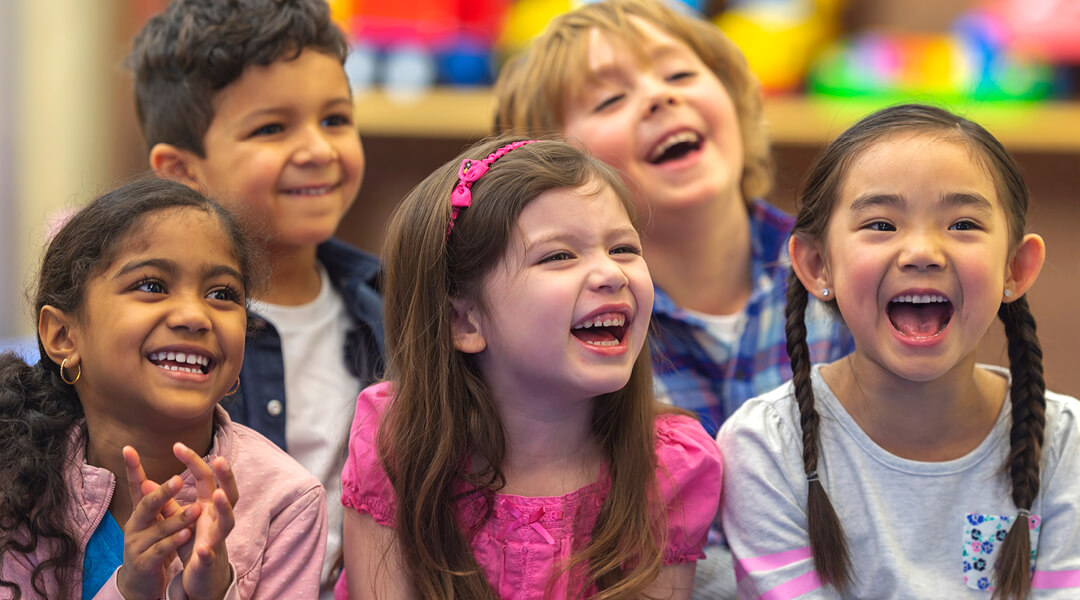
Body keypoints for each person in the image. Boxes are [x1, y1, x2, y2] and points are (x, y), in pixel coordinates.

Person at [717, 103, 1080, 599]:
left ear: (1015, 268)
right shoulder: (765, 448)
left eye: (963, 224)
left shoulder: (1065, 446)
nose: (923, 252)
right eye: (881, 225)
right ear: (817, 264)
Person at [337, 136, 722, 599]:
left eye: (623, 248)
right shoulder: (396, 440)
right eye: (558, 256)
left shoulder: (671, 466)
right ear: (464, 321)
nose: (612, 274)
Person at [492, 0, 853, 438]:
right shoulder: (570, 326)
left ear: (736, 103)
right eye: (610, 99)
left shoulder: (845, 268)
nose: (660, 96)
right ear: (551, 168)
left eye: (679, 75)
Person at [127, 1, 384, 593]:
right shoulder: (166, 336)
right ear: (181, 171)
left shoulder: (399, 307)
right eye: (273, 128)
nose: (318, 149)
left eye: (335, 120)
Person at [0, 178, 327, 599]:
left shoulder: (286, 501)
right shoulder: (15, 483)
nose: (195, 316)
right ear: (63, 335)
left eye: (222, 294)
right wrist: (130, 591)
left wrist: (212, 592)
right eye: (152, 286)